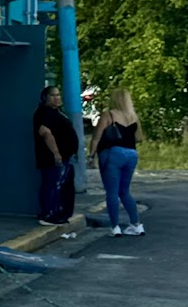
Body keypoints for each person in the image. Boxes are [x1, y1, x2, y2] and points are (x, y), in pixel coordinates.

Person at [89, 88, 143, 236]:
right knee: (124, 191)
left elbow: (96, 137)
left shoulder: (108, 115)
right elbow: (139, 138)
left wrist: (91, 156)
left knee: (112, 192)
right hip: (131, 155)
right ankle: (137, 225)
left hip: (112, 153)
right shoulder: (133, 116)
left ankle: (115, 227)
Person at [32, 85, 79, 225]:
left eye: (58, 95)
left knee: (63, 186)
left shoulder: (58, 112)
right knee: (52, 184)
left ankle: (61, 213)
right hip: (52, 158)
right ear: (45, 98)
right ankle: (49, 214)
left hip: (66, 156)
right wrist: (56, 153)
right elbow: (45, 133)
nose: (56, 98)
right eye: (53, 95)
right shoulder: (43, 113)